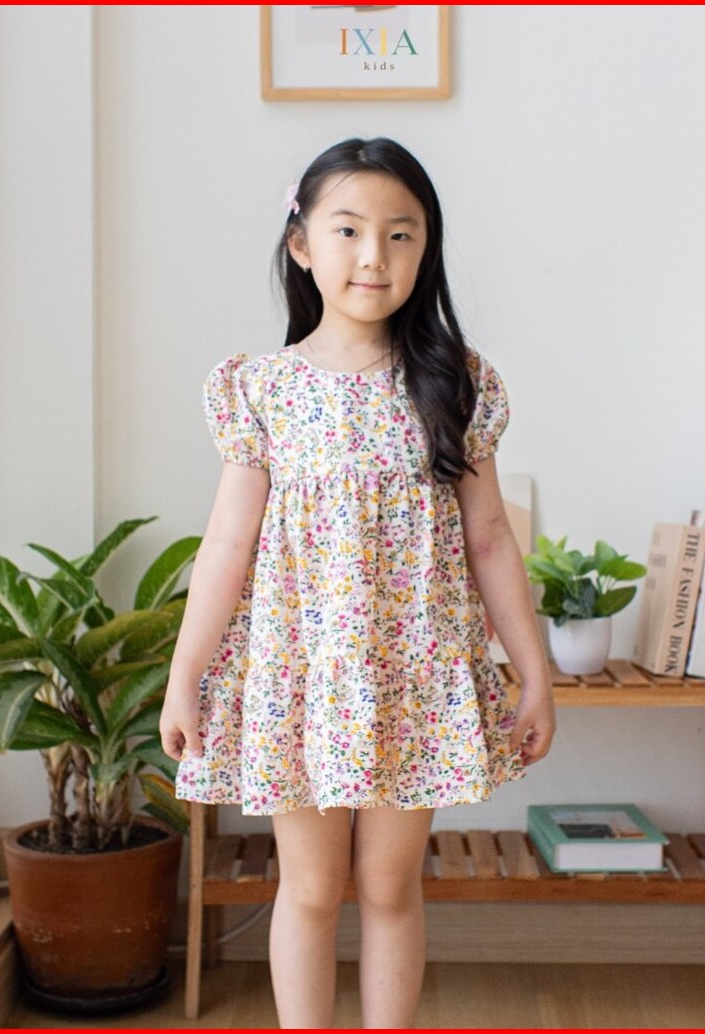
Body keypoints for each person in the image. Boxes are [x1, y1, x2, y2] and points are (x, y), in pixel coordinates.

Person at [160, 137, 556, 1029]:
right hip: (301, 680)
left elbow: (491, 541)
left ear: (426, 249)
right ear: (302, 243)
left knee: (388, 886)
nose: (375, 255)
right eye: (349, 230)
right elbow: (226, 545)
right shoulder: (261, 389)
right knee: (309, 888)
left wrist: (533, 674)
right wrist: (185, 679)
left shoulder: (453, 384)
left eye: (401, 234)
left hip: (411, 677)